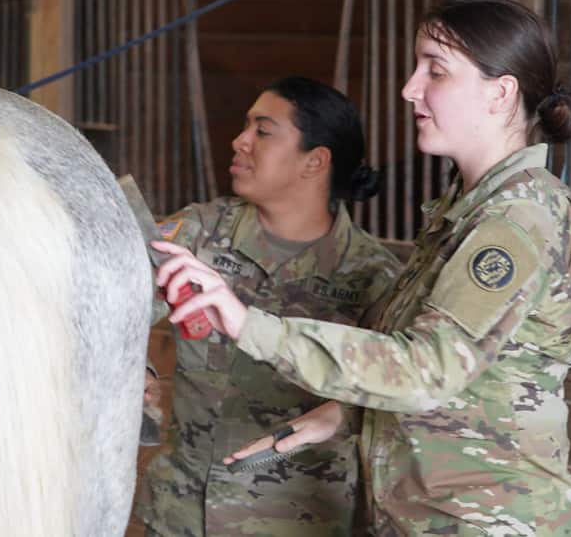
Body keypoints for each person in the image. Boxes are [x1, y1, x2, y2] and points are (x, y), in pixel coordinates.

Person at [155, 0, 571, 536]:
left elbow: (430, 368)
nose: (410, 89)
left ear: (500, 92)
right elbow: (476, 383)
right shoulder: (463, 214)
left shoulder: (517, 221)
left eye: (435, 72)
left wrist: (248, 324)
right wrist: (344, 415)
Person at [135, 76, 402, 536]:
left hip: (299, 521)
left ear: (314, 161)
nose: (239, 142)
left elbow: (392, 398)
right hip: (179, 514)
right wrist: (142, 372)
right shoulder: (200, 232)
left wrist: (347, 413)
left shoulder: (371, 277)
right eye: (246, 126)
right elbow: (116, 304)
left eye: (263, 130)